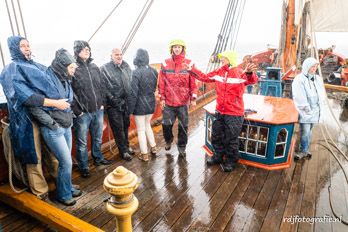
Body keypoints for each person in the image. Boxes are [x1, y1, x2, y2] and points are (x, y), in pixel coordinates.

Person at [0, 36, 60, 199]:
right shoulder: (9, 70)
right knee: (34, 158)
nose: (27, 48)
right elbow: (24, 96)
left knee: (53, 152)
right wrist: (55, 102)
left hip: (44, 116)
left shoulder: (37, 67)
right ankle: (41, 192)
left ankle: (61, 183)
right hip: (25, 121)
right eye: (22, 46)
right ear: (14, 49)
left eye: (28, 45)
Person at [185, 50, 258, 172]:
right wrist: (192, 69)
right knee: (216, 135)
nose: (221, 60)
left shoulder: (240, 73)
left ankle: (230, 161)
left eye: (223, 58)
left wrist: (250, 73)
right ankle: (218, 156)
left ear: (230, 59)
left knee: (231, 138)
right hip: (220, 111)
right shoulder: (219, 72)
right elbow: (205, 77)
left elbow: (252, 80)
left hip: (234, 113)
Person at [26, 48, 81, 206]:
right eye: (71, 67)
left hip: (66, 124)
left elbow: (68, 101)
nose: (73, 70)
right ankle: (63, 195)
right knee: (66, 162)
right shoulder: (46, 79)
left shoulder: (65, 79)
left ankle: (68, 187)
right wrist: (52, 124)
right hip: (54, 129)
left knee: (66, 161)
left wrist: (70, 116)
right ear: (62, 66)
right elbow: (35, 105)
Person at [72, 40, 112, 178]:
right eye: (83, 49)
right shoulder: (74, 68)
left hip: (98, 110)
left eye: (88, 49)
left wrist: (102, 103)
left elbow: (101, 86)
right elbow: (70, 92)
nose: (87, 51)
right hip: (83, 113)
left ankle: (98, 158)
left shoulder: (95, 67)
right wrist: (78, 110)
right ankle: (83, 166)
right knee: (82, 142)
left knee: (97, 137)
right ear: (77, 52)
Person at [158, 39, 197, 158]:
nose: (177, 49)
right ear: (171, 49)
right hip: (169, 102)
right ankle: (168, 140)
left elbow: (193, 83)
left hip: (183, 102)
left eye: (179, 47)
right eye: (174, 47)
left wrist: (193, 97)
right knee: (166, 125)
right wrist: (162, 98)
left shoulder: (189, 63)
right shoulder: (165, 63)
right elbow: (161, 83)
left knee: (183, 126)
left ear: (183, 49)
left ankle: (181, 147)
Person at [100, 48, 134, 161]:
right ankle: (123, 151)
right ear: (111, 56)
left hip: (126, 103)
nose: (119, 56)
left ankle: (127, 147)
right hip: (113, 105)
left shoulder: (126, 66)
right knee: (118, 129)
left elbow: (131, 81)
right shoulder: (105, 68)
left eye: (120, 54)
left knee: (125, 126)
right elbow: (103, 88)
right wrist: (113, 100)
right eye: (116, 55)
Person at [292, 57, 326, 160]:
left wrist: (321, 108)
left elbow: (321, 93)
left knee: (310, 130)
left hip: (316, 110)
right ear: (306, 67)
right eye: (312, 66)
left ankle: (305, 149)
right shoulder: (299, 79)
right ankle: (303, 150)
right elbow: (299, 97)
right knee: (305, 131)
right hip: (306, 111)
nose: (314, 68)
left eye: (316, 66)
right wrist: (307, 111)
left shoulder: (318, 79)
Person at [128, 48, 158, 161]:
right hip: (150, 103)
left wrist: (130, 110)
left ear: (137, 58)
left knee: (141, 130)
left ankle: (144, 154)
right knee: (148, 126)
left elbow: (133, 93)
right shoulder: (154, 71)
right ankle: (154, 148)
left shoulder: (135, 73)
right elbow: (153, 88)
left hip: (139, 106)